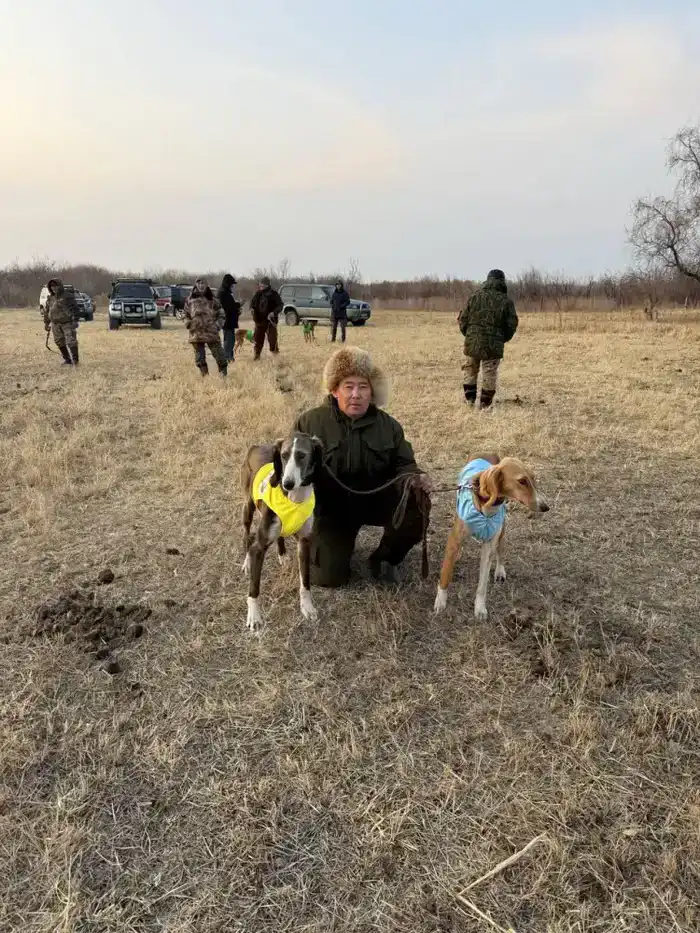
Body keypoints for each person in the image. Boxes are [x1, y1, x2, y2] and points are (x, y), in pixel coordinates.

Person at [295, 347, 432, 587]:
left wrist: (415, 478)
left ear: (373, 391)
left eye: (363, 387)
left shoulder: (389, 426)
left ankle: (385, 558)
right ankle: (333, 546)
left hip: (376, 500)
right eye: (348, 386)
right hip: (333, 508)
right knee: (328, 579)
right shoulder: (310, 422)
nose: (356, 394)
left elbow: (404, 464)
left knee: (417, 503)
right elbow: (293, 468)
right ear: (334, 390)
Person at [458, 269, 518, 409]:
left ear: (487, 280)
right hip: (494, 344)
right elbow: (511, 324)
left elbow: (463, 319)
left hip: (472, 340)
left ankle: (469, 402)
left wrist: (469, 335)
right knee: (489, 373)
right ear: (502, 282)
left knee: (470, 370)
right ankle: (485, 405)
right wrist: (502, 338)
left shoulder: (474, 297)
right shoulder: (506, 301)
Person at [184, 278, 228, 377]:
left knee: (220, 356)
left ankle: (224, 377)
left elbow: (222, 314)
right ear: (196, 285)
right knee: (200, 358)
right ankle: (205, 378)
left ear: (207, 285)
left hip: (211, 332)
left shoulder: (213, 299)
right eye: (199, 283)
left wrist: (217, 326)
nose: (201, 285)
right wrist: (188, 323)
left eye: (203, 283)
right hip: (196, 333)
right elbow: (185, 313)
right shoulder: (189, 299)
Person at [43, 279, 80, 365]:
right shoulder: (50, 298)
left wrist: (75, 320)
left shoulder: (67, 296)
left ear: (60, 286)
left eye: (55, 286)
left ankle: (75, 360)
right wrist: (46, 323)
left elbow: (75, 309)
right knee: (59, 342)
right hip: (55, 323)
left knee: (71, 341)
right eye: (52, 286)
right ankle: (67, 360)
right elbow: (47, 311)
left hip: (67, 322)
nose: (54, 288)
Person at [249, 276, 282, 360]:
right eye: (260, 285)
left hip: (271, 320)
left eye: (262, 285)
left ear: (267, 285)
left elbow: (280, 305)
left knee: (272, 339)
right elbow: (252, 304)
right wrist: (252, 309)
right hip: (259, 321)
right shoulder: (258, 294)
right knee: (258, 339)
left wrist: (273, 313)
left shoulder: (274, 294)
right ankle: (257, 356)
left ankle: (276, 358)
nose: (260, 286)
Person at [217, 273, 241, 362]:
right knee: (229, 340)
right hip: (227, 321)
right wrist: (239, 305)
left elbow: (230, 306)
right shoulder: (223, 293)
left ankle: (230, 357)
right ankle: (227, 358)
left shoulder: (224, 292)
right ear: (228, 284)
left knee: (229, 339)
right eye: (232, 284)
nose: (233, 286)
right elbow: (229, 307)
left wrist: (237, 311)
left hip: (228, 321)